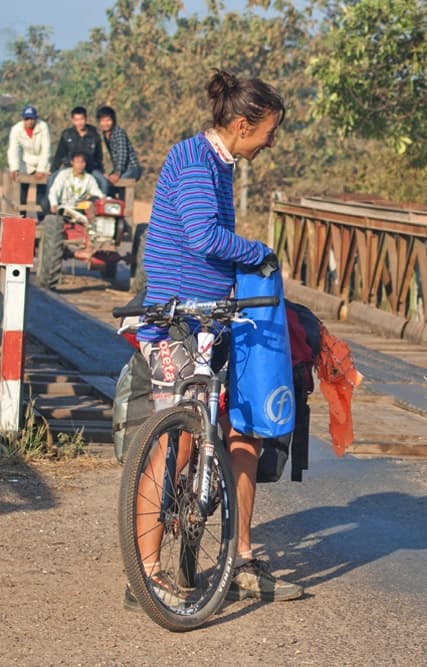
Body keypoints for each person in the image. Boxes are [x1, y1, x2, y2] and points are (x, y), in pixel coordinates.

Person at [125, 68, 299, 610]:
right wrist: (257, 252)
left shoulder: (217, 165)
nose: (272, 140)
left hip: (215, 318)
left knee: (241, 429)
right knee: (173, 447)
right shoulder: (197, 162)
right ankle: (145, 574)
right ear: (244, 124)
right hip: (179, 321)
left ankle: (239, 556)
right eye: (269, 130)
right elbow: (203, 237)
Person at [50, 106, 108, 194]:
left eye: (81, 119)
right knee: (52, 179)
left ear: (86, 119)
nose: (79, 123)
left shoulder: (94, 134)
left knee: (104, 182)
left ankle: (102, 205)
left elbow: (98, 156)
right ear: (73, 120)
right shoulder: (67, 134)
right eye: (76, 120)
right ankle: (50, 205)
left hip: (89, 168)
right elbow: (59, 154)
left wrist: (102, 171)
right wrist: (53, 170)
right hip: (70, 167)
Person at [6, 105, 50, 217]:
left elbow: (46, 149)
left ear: (36, 118)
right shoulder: (16, 129)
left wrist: (41, 169)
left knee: (41, 194)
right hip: (25, 162)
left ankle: (42, 219)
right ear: (23, 119)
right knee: (22, 192)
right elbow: (13, 149)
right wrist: (14, 167)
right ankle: (22, 217)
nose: (30, 121)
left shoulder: (43, 127)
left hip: (41, 161)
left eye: (32, 119)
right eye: (27, 119)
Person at [96, 105, 142, 198]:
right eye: (103, 121)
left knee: (114, 185)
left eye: (108, 120)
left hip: (131, 168)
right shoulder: (106, 134)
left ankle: (122, 209)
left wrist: (117, 173)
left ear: (113, 121)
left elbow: (122, 153)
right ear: (99, 122)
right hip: (121, 169)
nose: (106, 123)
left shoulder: (118, 132)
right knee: (105, 184)